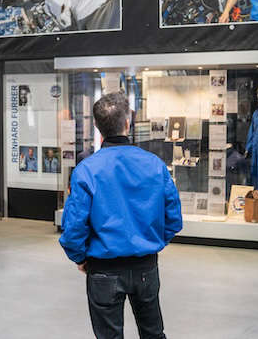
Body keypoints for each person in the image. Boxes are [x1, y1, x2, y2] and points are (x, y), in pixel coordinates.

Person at [60, 92, 182, 339]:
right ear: (128, 123)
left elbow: (74, 227)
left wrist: (80, 257)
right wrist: (150, 243)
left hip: (103, 270)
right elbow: (174, 219)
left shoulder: (86, 171)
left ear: (97, 126)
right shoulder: (155, 165)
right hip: (146, 266)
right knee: (153, 334)